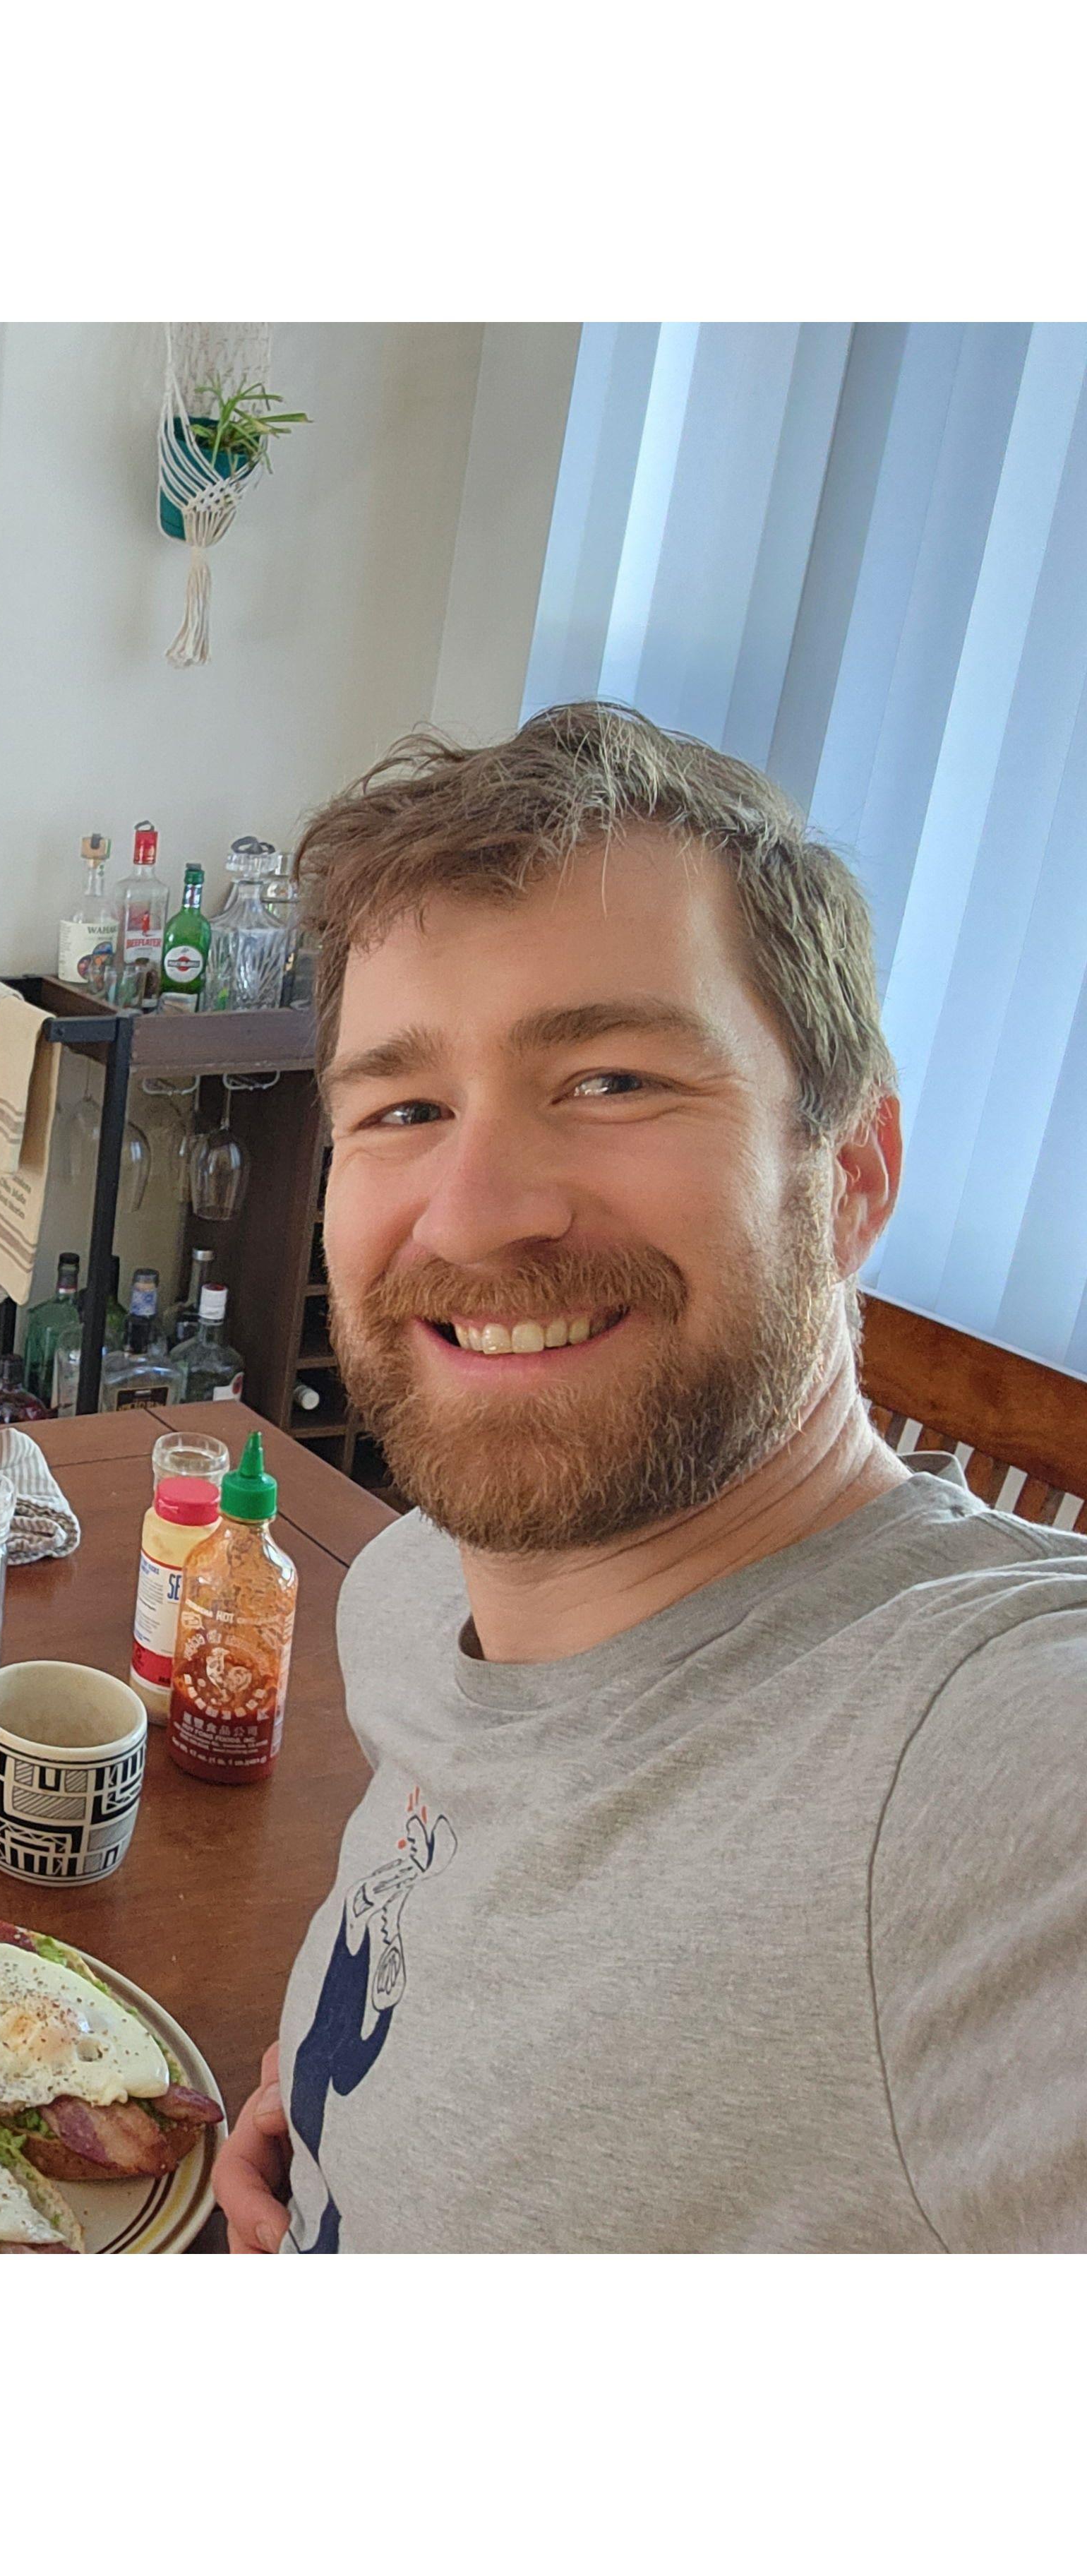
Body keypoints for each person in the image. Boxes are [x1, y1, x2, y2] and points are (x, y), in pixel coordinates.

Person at [213, 701, 1087, 2253]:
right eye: (404, 1110)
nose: (476, 1214)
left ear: (851, 1179)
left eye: (611, 1080)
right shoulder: (416, 1595)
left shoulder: (986, 1785)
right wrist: (351, 2117)